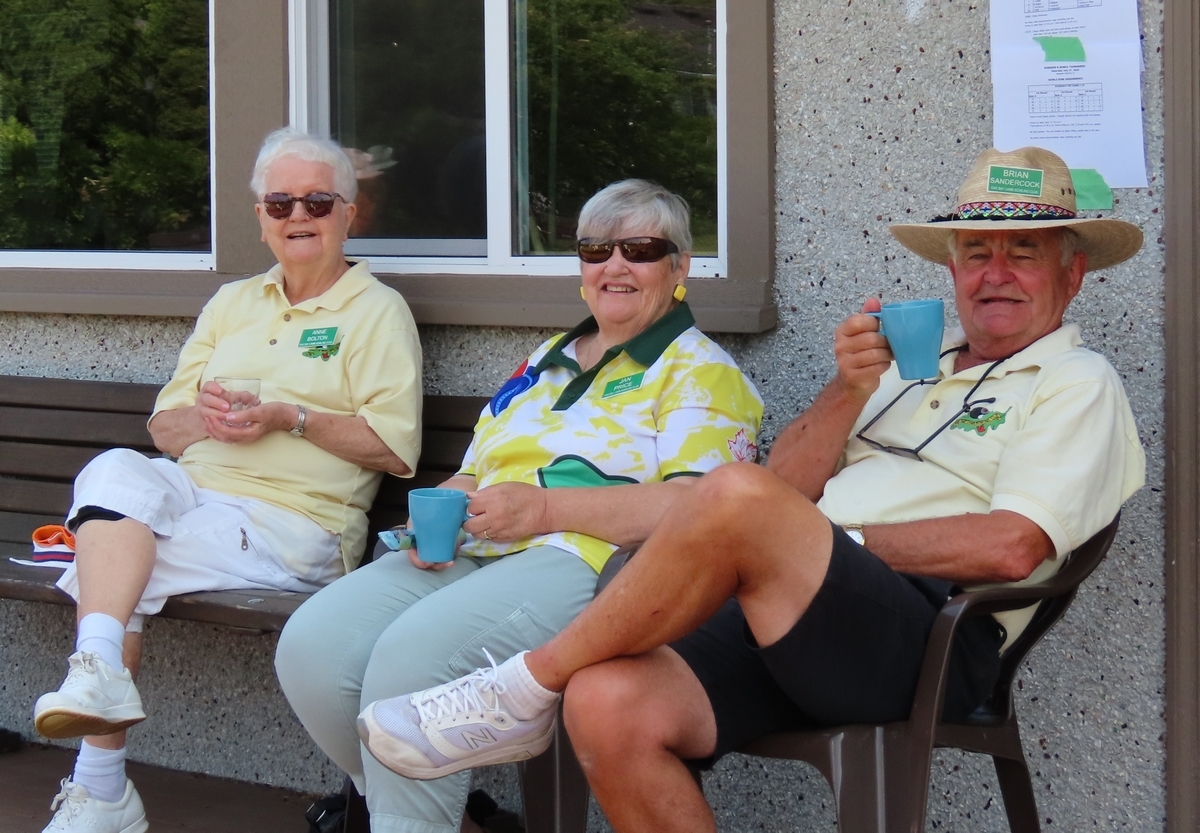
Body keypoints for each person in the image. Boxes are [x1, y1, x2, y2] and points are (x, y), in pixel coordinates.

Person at [356, 146, 1148, 833]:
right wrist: (846, 390)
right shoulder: (916, 362)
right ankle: (550, 686)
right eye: (977, 252)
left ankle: (523, 686)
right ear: (952, 269)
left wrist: (822, 546)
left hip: (928, 636)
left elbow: (1013, 546)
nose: (995, 273)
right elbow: (786, 486)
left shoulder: (1077, 381)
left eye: (1024, 253)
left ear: (1072, 272)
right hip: (790, 614)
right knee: (606, 701)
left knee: (733, 496)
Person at [274, 179, 764, 833]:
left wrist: (543, 511)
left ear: (679, 268)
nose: (615, 265)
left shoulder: (701, 372)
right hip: (478, 545)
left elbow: (699, 510)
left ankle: (409, 818)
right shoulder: (544, 360)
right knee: (313, 646)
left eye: (641, 249)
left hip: (594, 565)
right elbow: (477, 467)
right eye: (596, 250)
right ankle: (422, 811)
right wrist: (442, 506)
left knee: (411, 657)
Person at [33, 128, 423, 833]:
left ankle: (100, 782)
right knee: (112, 470)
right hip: (197, 495)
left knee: (113, 562)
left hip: (293, 524)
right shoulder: (232, 302)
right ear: (260, 218)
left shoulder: (376, 311)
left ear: (348, 213)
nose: (297, 215)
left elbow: (394, 449)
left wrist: (290, 417)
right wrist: (207, 418)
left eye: (316, 202)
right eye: (280, 203)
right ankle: (99, 675)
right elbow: (164, 430)